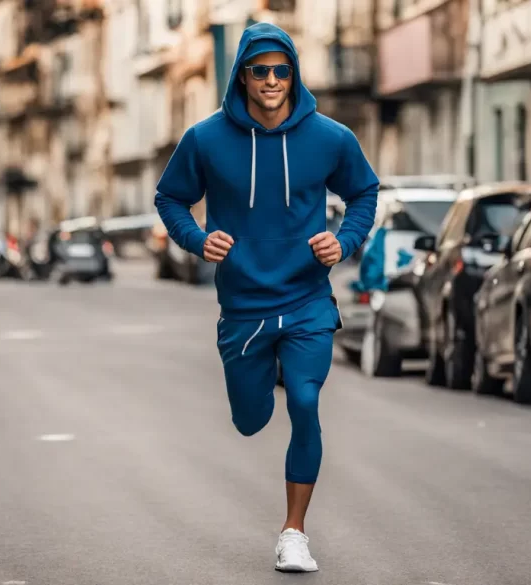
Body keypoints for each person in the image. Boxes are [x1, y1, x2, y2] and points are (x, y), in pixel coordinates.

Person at [154, 22, 379, 573]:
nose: (273, 80)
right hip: (245, 308)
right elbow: (171, 198)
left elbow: (365, 193)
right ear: (243, 77)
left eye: (282, 70)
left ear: (294, 74)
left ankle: (294, 533)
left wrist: (344, 240)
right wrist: (197, 238)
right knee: (250, 419)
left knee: (304, 401)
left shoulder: (330, 137)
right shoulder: (206, 139)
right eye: (261, 71)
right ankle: (258, 386)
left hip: (307, 300)